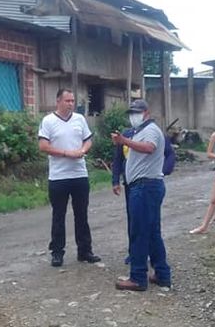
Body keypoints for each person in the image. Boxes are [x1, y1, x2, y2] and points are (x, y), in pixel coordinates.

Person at [111, 99, 172, 291]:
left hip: (145, 187)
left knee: (139, 232)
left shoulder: (151, 130)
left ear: (146, 113)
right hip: (145, 186)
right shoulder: (139, 131)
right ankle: (162, 273)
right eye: (131, 113)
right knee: (152, 232)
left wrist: (124, 141)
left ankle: (138, 277)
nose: (133, 116)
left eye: (136, 112)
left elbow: (149, 148)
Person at [38, 88, 101, 267]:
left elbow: (88, 139)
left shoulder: (79, 119)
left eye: (73, 101)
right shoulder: (48, 121)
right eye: (67, 101)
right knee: (59, 215)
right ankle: (57, 252)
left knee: (82, 214)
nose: (71, 104)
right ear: (58, 101)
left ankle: (85, 251)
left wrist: (82, 150)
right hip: (58, 176)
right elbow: (43, 146)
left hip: (79, 174)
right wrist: (66, 153)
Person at [112, 125, 176, 264]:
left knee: (152, 222)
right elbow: (117, 159)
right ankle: (134, 253)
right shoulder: (126, 134)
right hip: (130, 183)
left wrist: (163, 171)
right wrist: (115, 180)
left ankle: (152, 257)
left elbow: (170, 154)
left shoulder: (154, 133)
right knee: (133, 220)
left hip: (149, 182)